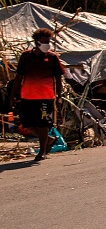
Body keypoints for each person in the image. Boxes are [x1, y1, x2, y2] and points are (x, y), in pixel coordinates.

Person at [10, 28, 65, 161]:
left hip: (46, 97)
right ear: (37, 42)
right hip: (27, 96)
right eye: (45, 42)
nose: (48, 44)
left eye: (49, 42)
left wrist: (59, 97)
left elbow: (58, 79)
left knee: (43, 123)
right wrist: (12, 95)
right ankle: (49, 139)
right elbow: (18, 77)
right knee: (26, 123)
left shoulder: (52, 58)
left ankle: (42, 152)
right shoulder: (26, 56)